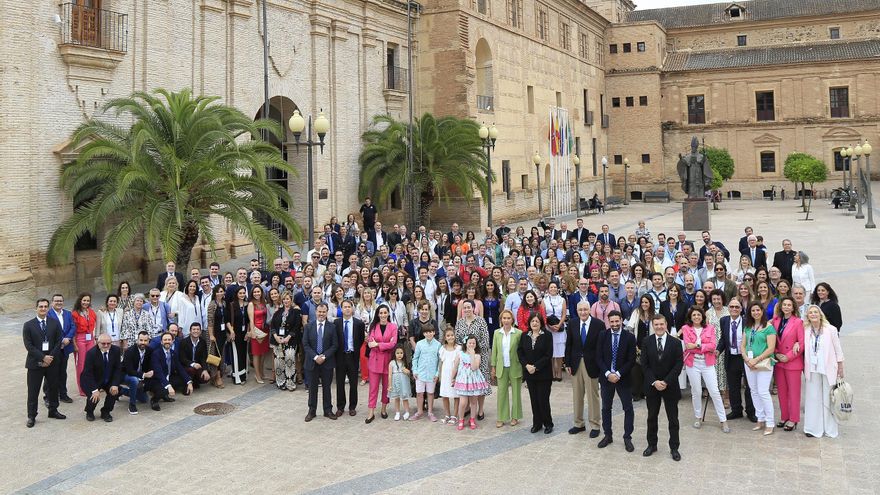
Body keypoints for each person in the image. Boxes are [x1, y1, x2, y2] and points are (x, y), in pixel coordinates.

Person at [641, 314, 684, 461]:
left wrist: (665, 382)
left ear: (666, 325)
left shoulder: (675, 343)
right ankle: (652, 445)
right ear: (653, 326)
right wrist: (654, 382)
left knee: (673, 419)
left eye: (662, 324)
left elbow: (678, 365)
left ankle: (674, 447)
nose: (659, 327)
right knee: (652, 417)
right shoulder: (646, 341)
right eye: (656, 324)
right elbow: (644, 365)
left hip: (670, 386)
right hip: (652, 386)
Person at [680, 307, 729, 432]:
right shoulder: (686, 328)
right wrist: (702, 347)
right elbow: (687, 346)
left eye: (699, 314)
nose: (696, 317)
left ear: (703, 316)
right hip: (693, 364)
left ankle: (723, 420)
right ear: (690, 317)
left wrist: (697, 345)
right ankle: (698, 417)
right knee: (696, 392)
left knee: (714, 391)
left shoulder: (710, 328)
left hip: (707, 364)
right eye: (694, 315)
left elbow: (713, 346)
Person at [597, 310, 637, 452]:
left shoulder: (630, 337)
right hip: (607, 378)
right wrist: (608, 374)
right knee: (606, 408)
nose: (614, 324)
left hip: (623, 378)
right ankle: (608, 435)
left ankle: (627, 437)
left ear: (621, 320)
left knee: (628, 408)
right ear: (609, 321)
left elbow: (631, 360)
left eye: (617, 321)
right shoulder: (603, 335)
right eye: (612, 321)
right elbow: (599, 357)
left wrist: (618, 373)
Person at [803, 305, 845, 438]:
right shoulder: (806, 330)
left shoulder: (830, 329)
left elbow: (838, 349)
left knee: (828, 398)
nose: (813, 314)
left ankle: (829, 429)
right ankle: (813, 428)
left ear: (820, 314)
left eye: (816, 312)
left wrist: (840, 367)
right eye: (811, 313)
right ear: (807, 316)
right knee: (813, 398)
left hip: (828, 368)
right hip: (812, 369)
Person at [24, 299, 67, 427]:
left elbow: (58, 341)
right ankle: (31, 416)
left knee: (53, 388)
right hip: (35, 363)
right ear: (36, 308)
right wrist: (43, 358)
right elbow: (29, 345)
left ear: (48, 308)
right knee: (33, 391)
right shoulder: (28, 325)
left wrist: (50, 357)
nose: (43, 308)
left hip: (52, 362)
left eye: (45, 306)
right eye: (41, 306)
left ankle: (53, 411)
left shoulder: (54, 323)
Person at [565, 301, 604, 437]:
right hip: (575, 363)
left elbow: (601, 347)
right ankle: (578, 423)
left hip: (592, 364)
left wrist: (601, 365)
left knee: (593, 396)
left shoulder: (599, 325)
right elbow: (568, 344)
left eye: (585, 310)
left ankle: (595, 425)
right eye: (580, 309)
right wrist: (567, 363)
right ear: (577, 310)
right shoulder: (572, 323)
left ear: (590, 310)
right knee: (577, 395)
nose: (583, 312)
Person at [716, 299, 756, 422]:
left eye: (737, 307)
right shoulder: (724, 320)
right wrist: (718, 350)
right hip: (731, 357)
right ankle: (736, 410)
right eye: (732, 307)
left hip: (745, 357)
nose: (734, 309)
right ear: (728, 308)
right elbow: (723, 338)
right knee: (733, 386)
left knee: (749, 386)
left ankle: (751, 412)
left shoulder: (747, 322)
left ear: (741, 309)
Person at [742, 302, 777, 436]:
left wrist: (756, 360)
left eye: (758, 310)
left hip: (763, 364)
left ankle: (770, 422)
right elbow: (743, 346)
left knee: (763, 392)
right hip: (749, 363)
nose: (755, 312)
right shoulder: (748, 327)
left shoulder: (769, 328)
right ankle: (760, 419)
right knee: (754, 391)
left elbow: (771, 348)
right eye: (753, 310)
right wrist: (746, 358)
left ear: (762, 311)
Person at [771, 296, 805, 432]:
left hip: (793, 363)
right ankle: (784, 416)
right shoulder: (775, 321)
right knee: (782, 392)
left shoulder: (798, 322)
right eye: (784, 304)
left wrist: (788, 356)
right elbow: (771, 339)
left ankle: (793, 419)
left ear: (793, 307)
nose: (786, 307)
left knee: (794, 392)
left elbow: (801, 343)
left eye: (789, 305)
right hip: (779, 361)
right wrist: (776, 353)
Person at [454, 300, 492, 419]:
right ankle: (468, 408)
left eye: (469, 307)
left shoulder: (480, 321)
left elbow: (485, 340)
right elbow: (458, 340)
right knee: (468, 383)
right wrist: (466, 353)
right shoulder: (460, 323)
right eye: (464, 308)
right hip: (465, 359)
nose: (466, 310)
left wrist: (474, 352)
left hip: (479, 356)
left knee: (479, 383)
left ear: (474, 308)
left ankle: (480, 410)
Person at [518, 313, 554, 434]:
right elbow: (520, 352)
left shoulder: (547, 335)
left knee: (543, 400)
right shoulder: (524, 336)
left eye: (537, 321)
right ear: (529, 323)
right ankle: (537, 424)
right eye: (532, 321)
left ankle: (548, 423)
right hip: (529, 374)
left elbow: (548, 354)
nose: (534, 323)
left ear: (541, 323)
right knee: (534, 400)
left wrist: (536, 366)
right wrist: (526, 365)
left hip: (543, 373)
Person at [303, 303, 338, 422]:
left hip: (326, 362)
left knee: (327, 387)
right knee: (312, 388)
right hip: (312, 362)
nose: (321, 314)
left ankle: (328, 410)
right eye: (319, 311)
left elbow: (334, 345)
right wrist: (315, 357)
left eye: (324, 312)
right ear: (316, 312)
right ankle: (311, 410)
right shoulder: (308, 326)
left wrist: (324, 356)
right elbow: (305, 344)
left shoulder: (332, 327)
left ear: (327, 312)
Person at [365, 305, 398, 423]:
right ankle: (371, 412)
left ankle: (384, 409)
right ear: (378, 314)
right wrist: (385, 344)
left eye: (385, 313)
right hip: (374, 361)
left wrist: (378, 344)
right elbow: (370, 343)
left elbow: (393, 344)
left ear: (388, 314)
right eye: (381, 313)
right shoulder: (373, 326)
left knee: (386, 387)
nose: (383, 315)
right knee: (373, 388)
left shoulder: (393, 327)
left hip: (387, 361)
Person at [79, 334, 122, 422]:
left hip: (108, 378)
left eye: (108, 343)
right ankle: (89, 411)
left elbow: (118, 369)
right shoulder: (91, 353)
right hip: (92, 379)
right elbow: (88, 373)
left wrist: (115, 384)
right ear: (97, 343)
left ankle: (106, 411)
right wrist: (95, 390)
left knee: (114, 392)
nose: (106, 346)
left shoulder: (116, 350)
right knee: (94, 396)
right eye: (103, 343)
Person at [491, 310, 523, 428]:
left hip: (515, 366)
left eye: (508, 318)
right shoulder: (496, 333)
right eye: (504, 318)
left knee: (516, 393)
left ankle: (515, 416)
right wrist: (493, 367)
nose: (506, 320)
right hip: (501, 367)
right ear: (501, 320)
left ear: (512, 320)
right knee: (502, 393)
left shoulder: (518, 333)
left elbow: (521, 351)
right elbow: (494, 351)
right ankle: (501, 417)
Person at [147, 331, 194, 411]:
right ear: (161, 342)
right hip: (156, 379)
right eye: (165, 340)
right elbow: (159, 373)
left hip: (168, 376)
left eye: (169, 339)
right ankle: (154, 400)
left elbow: (180, 368)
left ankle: (164, 396)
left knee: (182, 380)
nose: (167, 341)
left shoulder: (173, 353)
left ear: (172, 341)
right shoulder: (156, 354)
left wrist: (189, 382)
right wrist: (168, 386)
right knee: (163, 388)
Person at [452, 334, 489, 431]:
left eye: (474, 343)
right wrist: (452, 378)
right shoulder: (460, 354)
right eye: (470, 343)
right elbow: (455, 367)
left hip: (474, 381)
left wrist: (472, 355)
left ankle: (472, 419)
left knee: (473, 401)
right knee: (463, 402)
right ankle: (461, 419)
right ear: (466, 343)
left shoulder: (477, 356)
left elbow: (474, 367)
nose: (472, 344)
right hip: (463, 381)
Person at [334, 299, 364, 415]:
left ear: (352, 309)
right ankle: (340, 407)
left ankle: (352, 406)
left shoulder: (359, 323)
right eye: (344, 307)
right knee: (340, 383)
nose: (347, 309)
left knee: (353, 383)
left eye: (349, 307)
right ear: (341, 309)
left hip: (352, 356)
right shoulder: (336, 323)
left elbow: (361, 340)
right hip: (340, 356)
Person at [46, 294, 76, 404]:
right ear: (52, 302)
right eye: (56, 301)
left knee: (62, 372)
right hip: (53, 349)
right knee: (51, 373)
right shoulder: (48, 314)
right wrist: (61, 340)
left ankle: (63, 394)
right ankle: (48, 397)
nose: (59, 302)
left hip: (65, 348)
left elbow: (73, 326)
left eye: (61, 301)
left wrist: (68, 338)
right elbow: (48, 331)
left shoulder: (68, 313)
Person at [411, 323, 441, 421]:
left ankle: (430, 412)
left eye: (431, 332)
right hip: (420, 373)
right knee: (419, 393)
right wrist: (415, 370)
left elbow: (440, 361)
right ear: (424, 333)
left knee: (430, 393)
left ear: (434, 332)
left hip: (432, 374)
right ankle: (419, 411)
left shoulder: (438, 345)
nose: (429, 334)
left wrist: (437, 374)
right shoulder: (419, 344)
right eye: (426, 332)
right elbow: (415, 358)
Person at [122, 331, 154, 415]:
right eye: (141, 340)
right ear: (137, 340)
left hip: (140, 375)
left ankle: (120, 391)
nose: (143, 343)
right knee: (134, 380)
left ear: (148, 341)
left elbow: (151, 365)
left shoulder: (150, 351)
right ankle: (132, 405)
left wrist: (151, 372)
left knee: (144, 400)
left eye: (145, 340)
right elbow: (129, 370)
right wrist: (144, 375)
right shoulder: (129, 351)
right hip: (126, 374)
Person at [72, 293, 97, 397]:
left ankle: (92, 385)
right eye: (84, 300)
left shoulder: (91, 312)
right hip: (80, 339)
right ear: (80, 300)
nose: (86, 302)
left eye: (88, 300)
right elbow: (73, 331)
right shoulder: (74, 314)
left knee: (91, 363)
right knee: (81, 365)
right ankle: (82, 388)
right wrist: (74, 345)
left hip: (90, 338)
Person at [225, 287, 249, 385]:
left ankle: (243, 375)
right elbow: (227, 320)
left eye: (244, 293)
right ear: (236, 294)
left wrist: (248, 332)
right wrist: (231, 332)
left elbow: (249, 321)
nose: (242, 295)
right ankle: (237, 377)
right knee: (236, 354)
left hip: (244, 333)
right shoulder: (231, 305)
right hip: (235, 333)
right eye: (240, 293)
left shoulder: (247, 305)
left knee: (243, 354)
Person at [205, 285, 227, 388]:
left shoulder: (224, 303)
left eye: (221, 291)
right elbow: (210, 321)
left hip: (222, 333)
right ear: (214, 293)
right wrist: (211, 335)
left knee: (221, 355)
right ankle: (216, 377)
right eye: (218, 292)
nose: (220, 293)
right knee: (214, 355)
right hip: (214, 333)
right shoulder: (212, 305)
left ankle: (218, 375)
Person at [438, 327, 461, 425]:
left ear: (454, 336)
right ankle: (447, 414)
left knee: (456, 395)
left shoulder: (459, 348)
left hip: (455, 375)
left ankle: (455, 416)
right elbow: (441, 363)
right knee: (445, 394)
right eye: (448, 336)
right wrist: (439, 375)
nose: (450, 337)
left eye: (452, 335)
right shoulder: (442, 349)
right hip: (445, 374)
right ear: (445, 338)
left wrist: (457, 376)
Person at [248, 286, 271, 383]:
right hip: (256, 331)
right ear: (252, 293)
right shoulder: (251, 304)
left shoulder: (264, 302)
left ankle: (261, 373)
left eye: (258, 292)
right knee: (256, 354)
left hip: (265, 330)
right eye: (255, 292)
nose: (256, 293)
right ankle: (257, 375)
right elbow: (251, 319)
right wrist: (252, 332)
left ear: (261, 292)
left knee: (263, 353)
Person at [178, 323, 211, 389]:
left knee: (205, 377)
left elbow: (204, 357)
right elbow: (182, 358)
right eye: (194, 329)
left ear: (200, 331)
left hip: (197, 366)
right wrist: (192, 364)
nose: (196, 331)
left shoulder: (202, 342)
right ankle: (186, 384)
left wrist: (205, 370)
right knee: (191, 370)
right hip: (187, 365)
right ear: (190, 331)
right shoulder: (183, 342)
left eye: (198, 329)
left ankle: (195, 382)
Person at [387, 345, 413, 421]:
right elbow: (390, 375)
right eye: (397, 353)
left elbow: (409, 372)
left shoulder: (404, 362)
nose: (399, 354)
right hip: (395, 382)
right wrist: (390, 385)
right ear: (394, 354)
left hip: (404, 383)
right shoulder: (392, 363)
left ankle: (407, 412)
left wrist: (407, 371)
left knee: (405, 398)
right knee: (397, 398)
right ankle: (397, 413)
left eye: (401, 353)